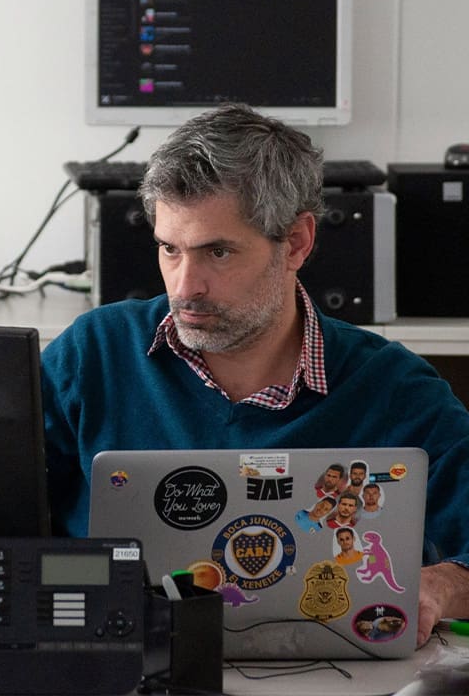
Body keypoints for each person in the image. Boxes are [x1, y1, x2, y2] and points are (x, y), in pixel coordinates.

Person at [40, 103, 469, 647]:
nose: (185, 286)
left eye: (217, 251)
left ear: (296, 243)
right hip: (122, 666)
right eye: (169, 249)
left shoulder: (393, 388)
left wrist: (445, 584)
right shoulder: (92, 353)